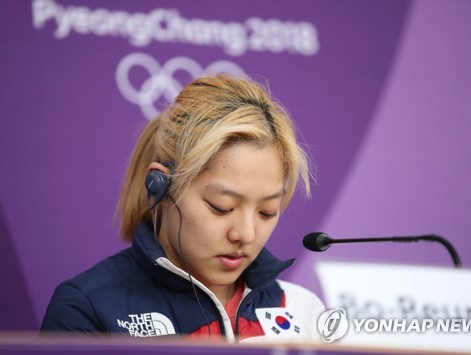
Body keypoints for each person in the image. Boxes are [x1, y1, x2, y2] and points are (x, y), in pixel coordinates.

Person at [41, 74, 325, 343]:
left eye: (267, 211)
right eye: (221, 207)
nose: (246, 234)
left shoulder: (305, 310)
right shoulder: (85, 308)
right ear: (160, 186)